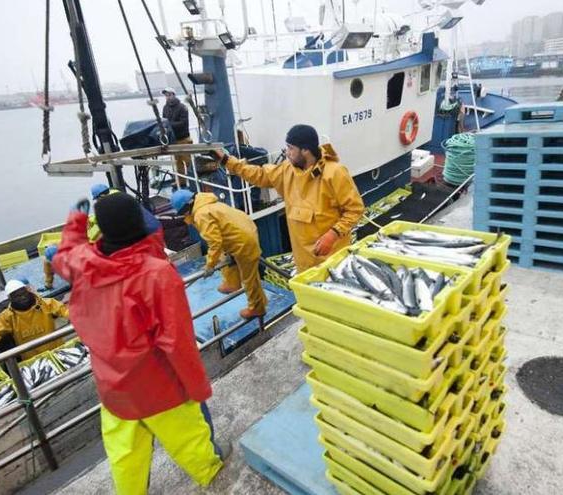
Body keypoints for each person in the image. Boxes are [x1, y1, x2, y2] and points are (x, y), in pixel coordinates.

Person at [51, 192, 226, 494]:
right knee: (193, 443)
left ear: (103, 230)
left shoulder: (85, 265)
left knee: (125, 460)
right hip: (160, 388)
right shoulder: (156, 274)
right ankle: (215, 478)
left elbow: (65, 255)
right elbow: (177, 342)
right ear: (138, 223)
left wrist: (76, 221)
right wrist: (198, 389)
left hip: (113, 389)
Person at [214, 125, 364, 273]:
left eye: (291, 148)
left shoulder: (335, 172)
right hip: (304, 264)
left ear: (305, 150)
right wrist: (227, 160)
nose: (287, 152)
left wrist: (333, 234)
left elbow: (355, 210)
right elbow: (259, 175)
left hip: (334, 262)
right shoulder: (287, 170)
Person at [171, 189, 267, 319]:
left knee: (249, 277)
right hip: (243, 235)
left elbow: (215, 242)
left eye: (182, 213)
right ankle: (232, 283)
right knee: (226, 256)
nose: (184, 216)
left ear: (187, 207)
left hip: (242, 242)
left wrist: (209, 265)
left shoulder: (201, 214)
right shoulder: (210, 204)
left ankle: (257, 308)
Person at [0, 279, 69, 360]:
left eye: (23, 293)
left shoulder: (46, 304)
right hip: (31, 358)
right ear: (10, 298)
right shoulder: (7, 316)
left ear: (27, 291)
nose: (22, 297)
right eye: (17, 296)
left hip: (57, 351)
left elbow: (64, 310)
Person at [162, 87, 193, 188]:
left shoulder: (182, 107)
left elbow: (184, 123)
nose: (168, 97)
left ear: (174, 95)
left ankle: (193, 181)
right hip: (173, 139)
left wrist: (169, 124)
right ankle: (181, 181)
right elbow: (163, 120)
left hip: (183, 138)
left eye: (169, 94)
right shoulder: (165, 108)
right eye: (166, 95)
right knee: (177, 162)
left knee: (188, 161)